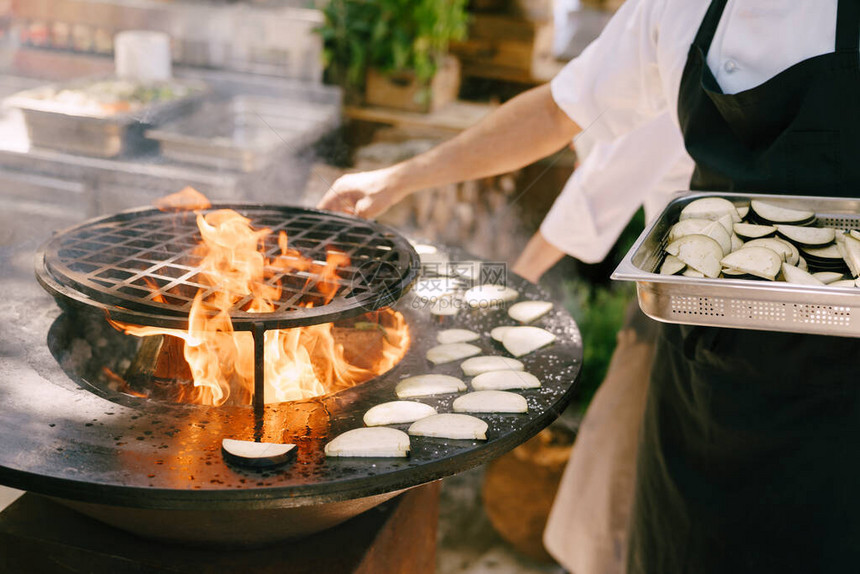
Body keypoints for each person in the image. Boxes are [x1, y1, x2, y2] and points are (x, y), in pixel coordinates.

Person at [319, 1, 860, 571]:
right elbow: (557, 111)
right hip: (700, 371)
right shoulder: (678, 9)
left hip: (837, 388)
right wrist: (402, 177)